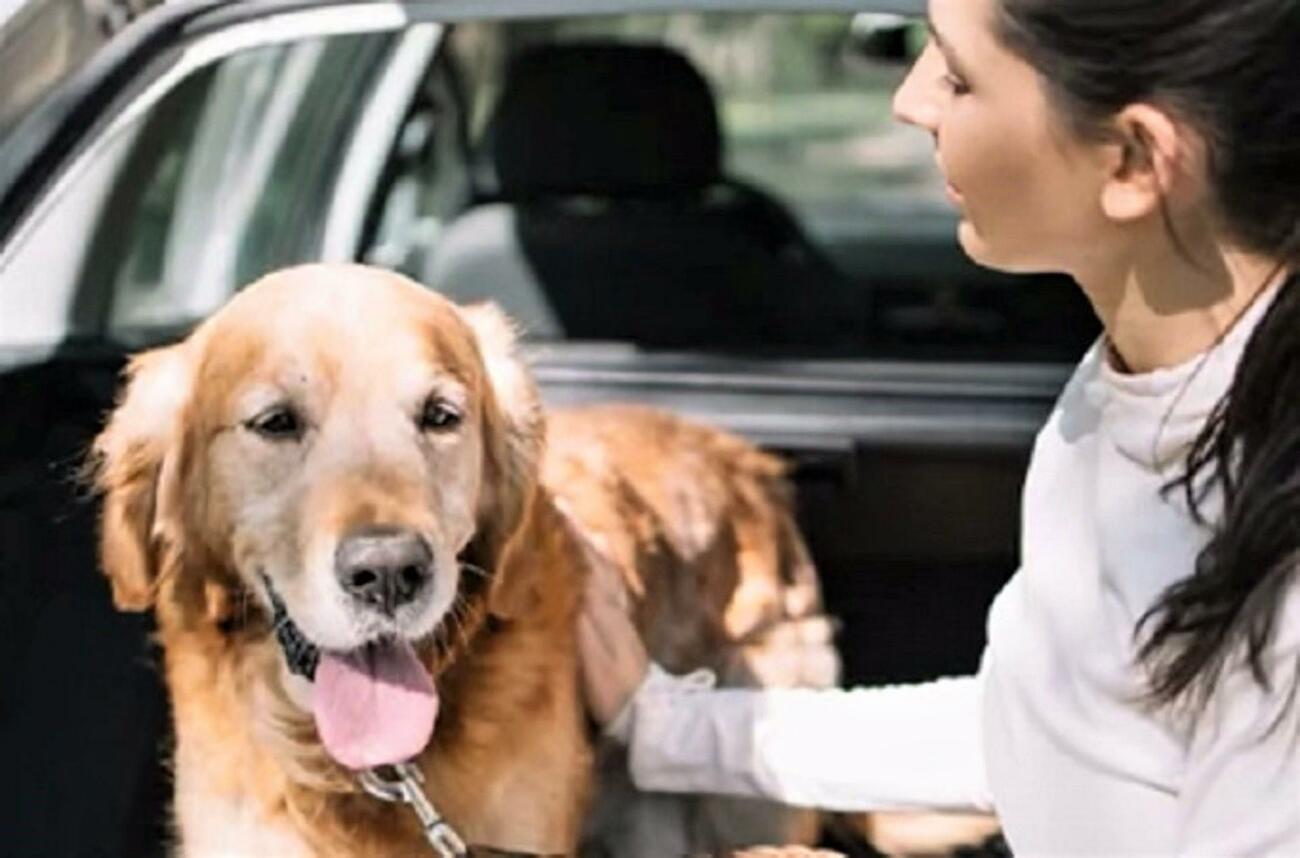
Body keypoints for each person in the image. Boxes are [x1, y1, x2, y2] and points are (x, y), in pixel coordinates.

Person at [576, 0, 1300, 853]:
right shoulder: (1126, 393)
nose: (909, 100)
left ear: (1135, 160)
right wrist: (667, 728)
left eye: (956, 74)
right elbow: (1045, 729)